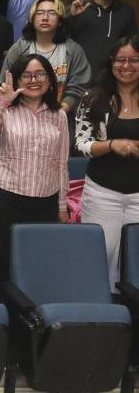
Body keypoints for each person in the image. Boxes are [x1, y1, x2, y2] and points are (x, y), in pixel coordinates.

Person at [0, 55, 69, 295]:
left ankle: (33, 320)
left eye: (40, 74)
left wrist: (62, 205)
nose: (34, 80)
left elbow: (62, 163)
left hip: (45, 201)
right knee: (2, 262)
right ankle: (7, 320)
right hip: (7, 198)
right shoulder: (7, 110)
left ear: (49, 79)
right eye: (27, 75)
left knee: (38, 262)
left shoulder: (59, 115)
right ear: (17, 79)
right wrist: (2, 103)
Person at [74, 34, 139, 287]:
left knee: (134, 258)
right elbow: (81, 144)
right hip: (103, 192)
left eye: (134, 59)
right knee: (102, 254)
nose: (126, 66)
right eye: (120, 59)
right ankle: (107, 311)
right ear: (110, 62)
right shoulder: (92, 98)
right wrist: (112, 145)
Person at [1, 0, 92, 117]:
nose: (45, 17)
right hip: (21, 120)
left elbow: (79, 87)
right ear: (31, 20)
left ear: (60, 21)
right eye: (39, 13)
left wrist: (60, 113)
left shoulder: (73, 50)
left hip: (60, 118)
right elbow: (5, 83)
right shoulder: (19, 49)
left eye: (51, 13)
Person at [71, 0, 135, 79]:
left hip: (113, 76)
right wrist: (71, 16)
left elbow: (132, 46)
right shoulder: (78, 8)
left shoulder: (126, 11)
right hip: (80, 75)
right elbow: (59, 39)